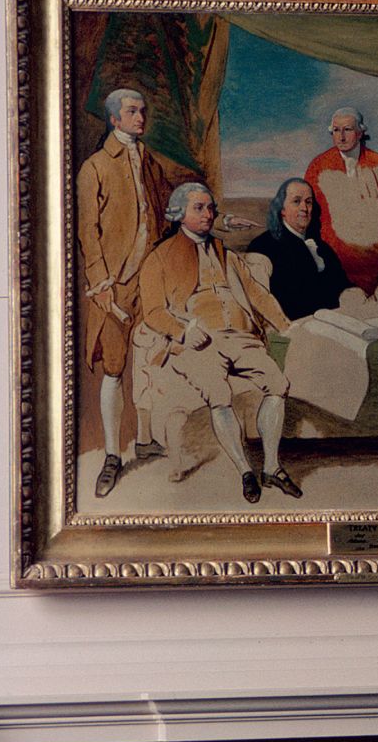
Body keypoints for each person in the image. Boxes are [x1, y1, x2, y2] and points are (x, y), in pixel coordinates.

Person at [137, 183, 302, 503]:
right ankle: (244, 470)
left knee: (278, 383)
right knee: (219, 392)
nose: (209, 214)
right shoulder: (159, 258)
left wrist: (284, 324)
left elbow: (255, 293)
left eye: (211, 208)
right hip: (197, 343)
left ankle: (271, 467)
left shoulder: (226, 253)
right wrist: (182, 331)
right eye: (199, 208)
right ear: (179, 213)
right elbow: (153, 313)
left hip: (241, 338)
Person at [76, 87, 171, 498]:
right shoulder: (94, 167)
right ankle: (113, 456)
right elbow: (87, 232)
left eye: (142, 110)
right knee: (114, 367)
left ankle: (146, 438)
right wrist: (100, 286)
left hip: (148, 278)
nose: (140, 117)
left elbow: (167, 208)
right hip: (113, 285)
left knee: (150, 359)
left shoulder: (149, 161)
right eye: (132, 112)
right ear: (114, 119)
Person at [304, 107, 378, 292]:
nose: (341, 136)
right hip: (331, 244)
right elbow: (307, 205)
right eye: (336, 130)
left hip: (370, 247)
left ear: (360, 132)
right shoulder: (319, 165)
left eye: (347, 130)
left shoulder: (376, 161)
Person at [245, 177, 349, 323]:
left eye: (308, 202)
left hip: (336, 320)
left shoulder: (323, 248)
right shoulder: (263, 246)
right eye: (296, 201)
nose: (304, 208)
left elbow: (342, 285)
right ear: (282, 209)